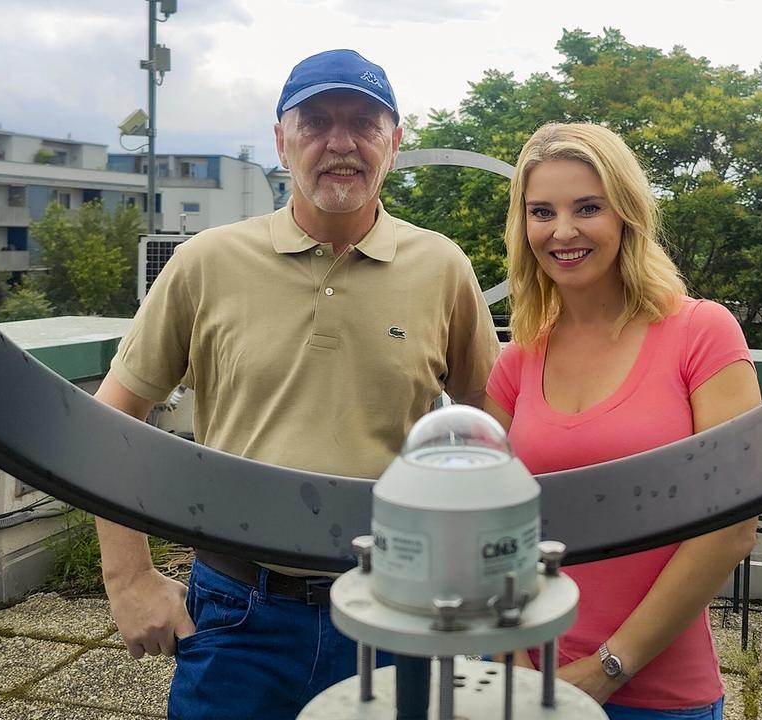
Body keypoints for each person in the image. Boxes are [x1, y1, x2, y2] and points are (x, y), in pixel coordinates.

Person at [92, 49, 499, 719]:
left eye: (364, 123)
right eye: (315, 122)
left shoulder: (442, 268)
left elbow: (493, 423)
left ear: (395, 144)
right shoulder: (207, 263)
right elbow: (112, 418)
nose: (340, 143)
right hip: (238, 616)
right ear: (281, 142)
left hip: (399, 611)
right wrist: (127, 577)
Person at [484, 123, 761, 720]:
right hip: (522, 684)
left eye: (588, 207)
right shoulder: (518, 359)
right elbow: (483, 528)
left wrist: (608, 668)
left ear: (627, 215)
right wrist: (514, 663)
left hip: (655, 695)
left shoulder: (702, 334)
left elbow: (732, 527)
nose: (562, 231)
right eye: (541, 211)